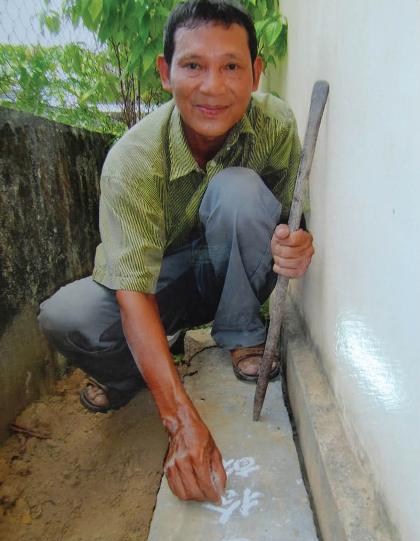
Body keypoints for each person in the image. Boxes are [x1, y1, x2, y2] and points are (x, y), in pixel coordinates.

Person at [38, 0, 314, 504]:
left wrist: (295, 244)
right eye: (193, 66)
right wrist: (180, 419)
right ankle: (132, 375)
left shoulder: (275, 125)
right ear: (166, 73)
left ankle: (241, 335)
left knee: (239, 190)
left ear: (256, 73)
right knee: (69, 316)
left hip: (233, 274)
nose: (213, 87)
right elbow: (132, 293)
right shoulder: (132, 161)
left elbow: (291, 217)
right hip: (160, 283)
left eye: (231, 67)